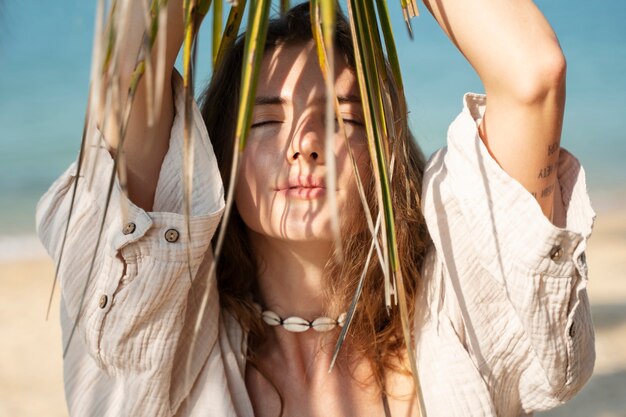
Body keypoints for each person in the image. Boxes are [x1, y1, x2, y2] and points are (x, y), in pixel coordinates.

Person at [36, 1, 596, 416]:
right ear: (219, 160)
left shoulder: (456, 327)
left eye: (344, 119)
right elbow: (129, 75)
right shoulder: (165, 340)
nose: (303, 143)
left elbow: (533, 76)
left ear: (385, 158)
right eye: (266, 121)